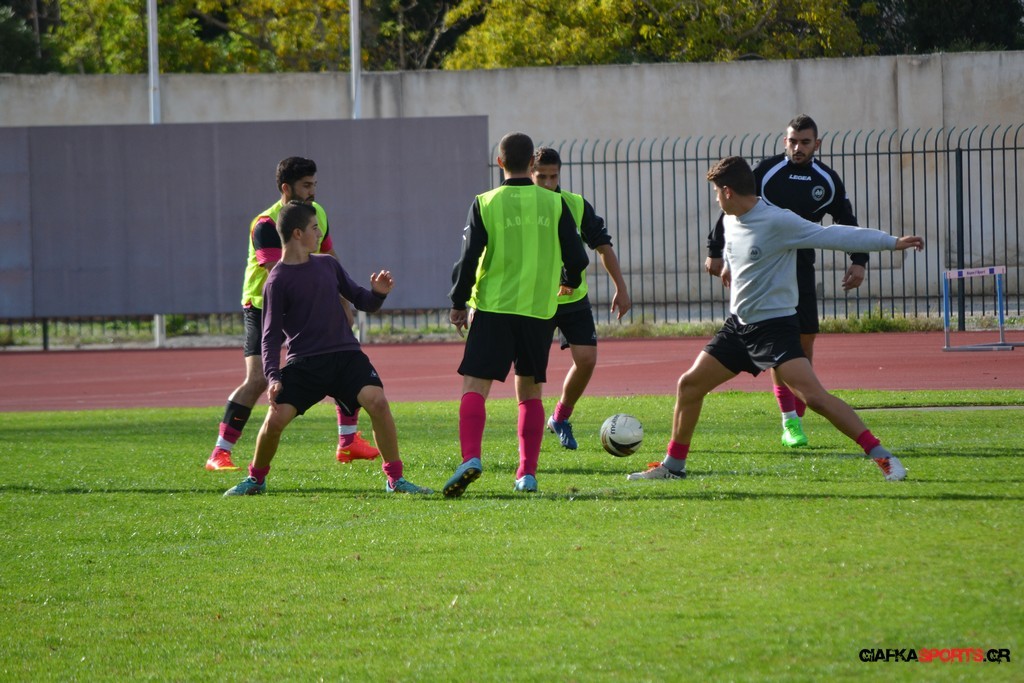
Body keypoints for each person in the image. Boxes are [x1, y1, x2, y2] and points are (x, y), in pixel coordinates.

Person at [630, 155, 922, 483]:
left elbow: (835, 235)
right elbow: (738, 249)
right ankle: (673, 467)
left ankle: (883, 456)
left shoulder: (778, 221)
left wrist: (891, 242)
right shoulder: (731, 220)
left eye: (715, 192)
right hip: (738, 327)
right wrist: (730, 265)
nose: (715, 199)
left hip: (774, 329)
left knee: (814, 398)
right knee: (689, 385)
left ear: (727, 191)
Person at [224, 201, 431, 496]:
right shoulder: (276, 280)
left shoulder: (327, 264)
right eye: (314, 228)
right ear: (298, 233)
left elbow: (362, 300)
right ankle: (255, 480)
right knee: (275, 420)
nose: (319, 234)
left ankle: (395, 480)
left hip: (346, 357)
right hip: (305, 364)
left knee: (378, 402)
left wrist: (378, 294)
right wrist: (273, 377)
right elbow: (268, 337)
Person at [205, 157, 379, 472]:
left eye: (314, 184)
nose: (313, 191)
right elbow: (280, 275)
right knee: (259, 378)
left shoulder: (317, 213)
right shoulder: (266, 224)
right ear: (287, 188)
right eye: (306, 186)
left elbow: (329, 256)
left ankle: (348, 441)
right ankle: (220, 452)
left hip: (307, 302)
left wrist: (343, 300)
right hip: (264, 306)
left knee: (340, 354)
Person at [705, 114, 867, 449]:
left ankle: (800, 412)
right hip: (763, 265)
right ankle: (790, 421)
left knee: (804, 343)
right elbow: (732, 209)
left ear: (816, 144)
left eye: (805, 142)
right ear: (785, 142)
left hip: (801, 266)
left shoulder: (827, 180)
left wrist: (859, 261)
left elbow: (845, 223)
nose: (797, 148)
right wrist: (717, 251)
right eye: (792, 141)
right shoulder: (766, 172)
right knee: (780, 344)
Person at [445, 132, 589, 496]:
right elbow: (577, 257)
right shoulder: (554, 203)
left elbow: (469, 258)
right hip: (539, 312)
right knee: (529, 392)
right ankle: (526, 474)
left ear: (500, 162)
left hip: (494, 308)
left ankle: (471, 458)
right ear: (532, 164)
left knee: (475, 386)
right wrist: (569, 281)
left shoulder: (485, 202)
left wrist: (458, 302)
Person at [531, 148, 632, 450]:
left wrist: (621, 287)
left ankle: (560, 418)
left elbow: (602, 246)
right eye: (541, 176)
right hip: (534, 301)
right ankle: (529, 435)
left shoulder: (574, 204)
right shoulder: (521, 208)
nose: (548, 183)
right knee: (532, 372)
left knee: (587, 360)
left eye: (553, 176)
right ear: (530, 173)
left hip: (573, 299)